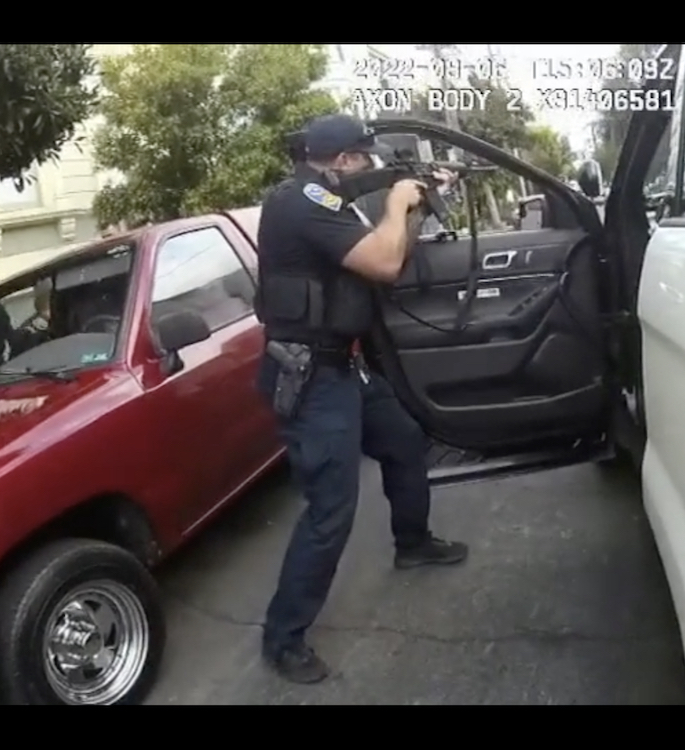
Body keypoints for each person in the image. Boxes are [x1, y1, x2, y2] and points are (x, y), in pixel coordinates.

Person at [255, 114, 468, 685]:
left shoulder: (328, 197)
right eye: (365, 157)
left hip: (342, 366)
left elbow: (384, 257)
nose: (372, 166)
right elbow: (382, 261)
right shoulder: (302, 202)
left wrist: (418, 203)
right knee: (331, 509)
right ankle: (284, 637)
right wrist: (397, 203)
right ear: (344, 160)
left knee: (403, 440)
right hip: (310, 377)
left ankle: (413, 541)